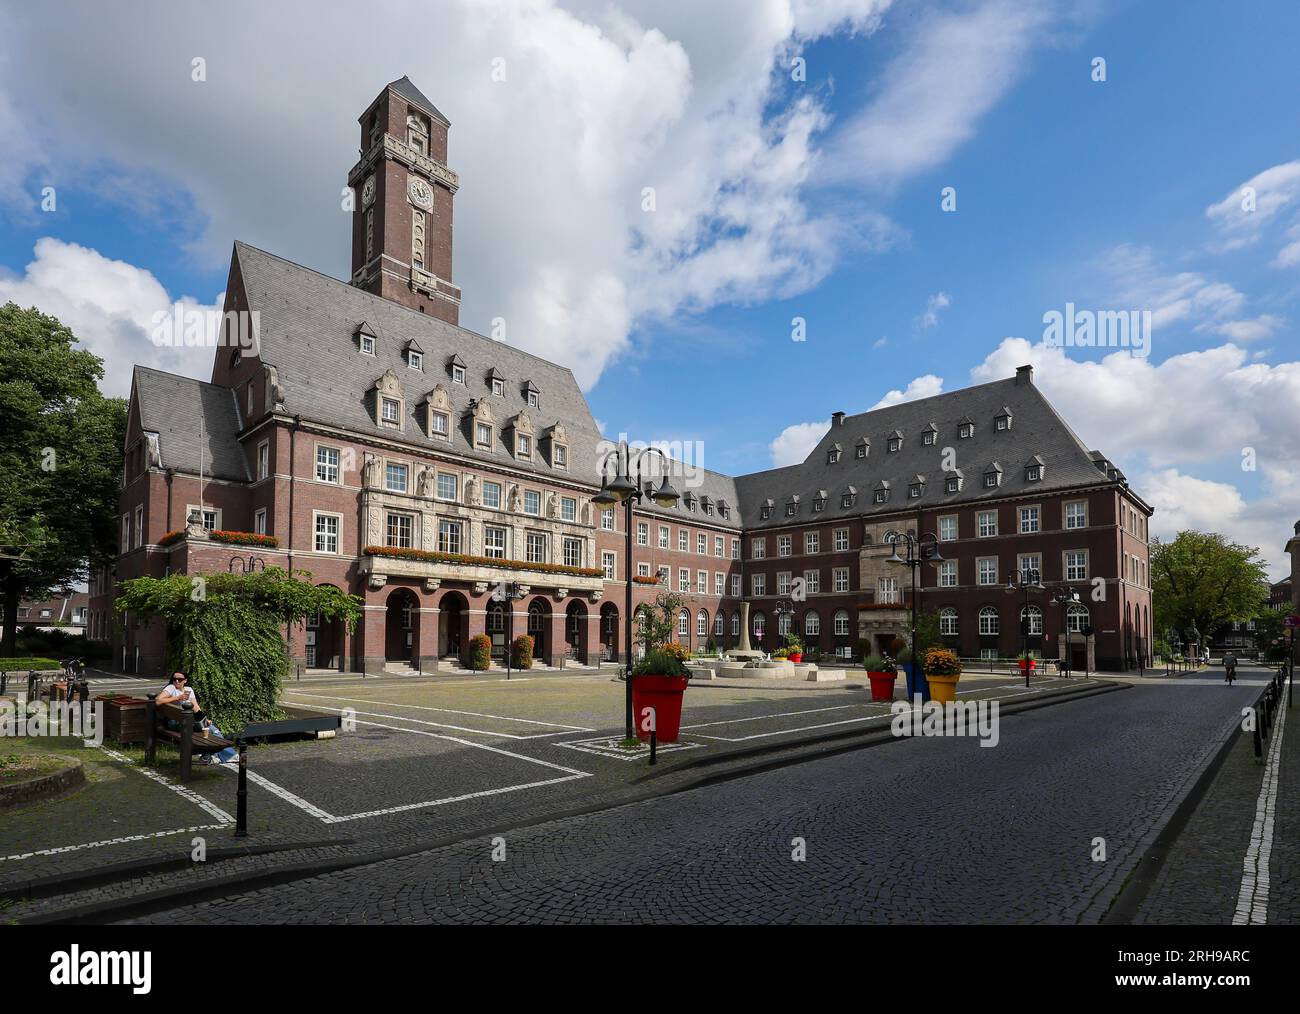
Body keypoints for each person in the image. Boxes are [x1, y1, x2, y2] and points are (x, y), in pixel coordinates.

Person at [156, 672, 237, 764]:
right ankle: (228, 755)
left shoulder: (188, 690)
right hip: (176, 723)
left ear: (185, 681)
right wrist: (177, 698)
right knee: (210, 730)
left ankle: (210, 756)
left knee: (209, 728)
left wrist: (205, 719)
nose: (177, 681)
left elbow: (196, 707)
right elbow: (158, 701)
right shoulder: (171, 688)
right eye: (174, 679)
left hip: (187, 722)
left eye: (180, 679)